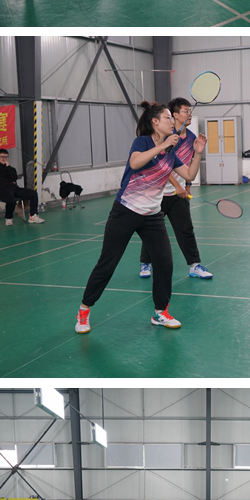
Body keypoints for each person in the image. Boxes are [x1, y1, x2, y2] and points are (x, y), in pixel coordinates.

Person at [75, 101, 206, 334]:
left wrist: (197, 153)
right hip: (125, 211)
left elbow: (189, 174)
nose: (171, 122)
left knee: (165, 262)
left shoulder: (171, 152)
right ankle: (84, 309)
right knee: (107, 263)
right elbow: (135, 162)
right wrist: (163, 145)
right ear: (155, 122)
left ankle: (160, 312)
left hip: (152, 216)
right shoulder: (143, 142)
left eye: (171, 118)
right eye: (167, 118)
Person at [138, 97, 212, 281]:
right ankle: (145, 262)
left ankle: (195, 265)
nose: (190, 114)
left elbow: (188, 165)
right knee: (152, 230)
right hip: (158, 193)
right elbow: (162, 165)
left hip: (178, 195)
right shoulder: (166, 138)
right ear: (175, 115)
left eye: (190, 111)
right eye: (186, 111)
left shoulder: (192, 138)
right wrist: (177, 186)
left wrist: (187, 186)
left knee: (186, 229)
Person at [0, 149, 43, 226]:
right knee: (11, 199)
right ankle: (8, 218)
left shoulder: (11, 169)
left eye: (6, 157)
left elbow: (14, 178)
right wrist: (9, 181)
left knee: (33, 194)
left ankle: (33, 216)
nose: (4, 159)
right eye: (2, 157)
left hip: (14, 189)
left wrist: (8, 167)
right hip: (1, 190)